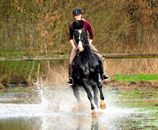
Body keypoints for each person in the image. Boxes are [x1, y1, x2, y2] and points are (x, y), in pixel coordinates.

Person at [67, 7, 109, 85]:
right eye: (75, 16)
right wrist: (73, 46)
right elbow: (70, 38)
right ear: (74, 17)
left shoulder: (87, 24)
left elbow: (92, 35)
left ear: (81, 15)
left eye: (78, 15)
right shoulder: (71, 26)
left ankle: (103, 74)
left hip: (87, 44)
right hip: (76, 44)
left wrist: (89, 43)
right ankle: (70, 78)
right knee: (71, 61)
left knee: (99, 57)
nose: (77, 16)